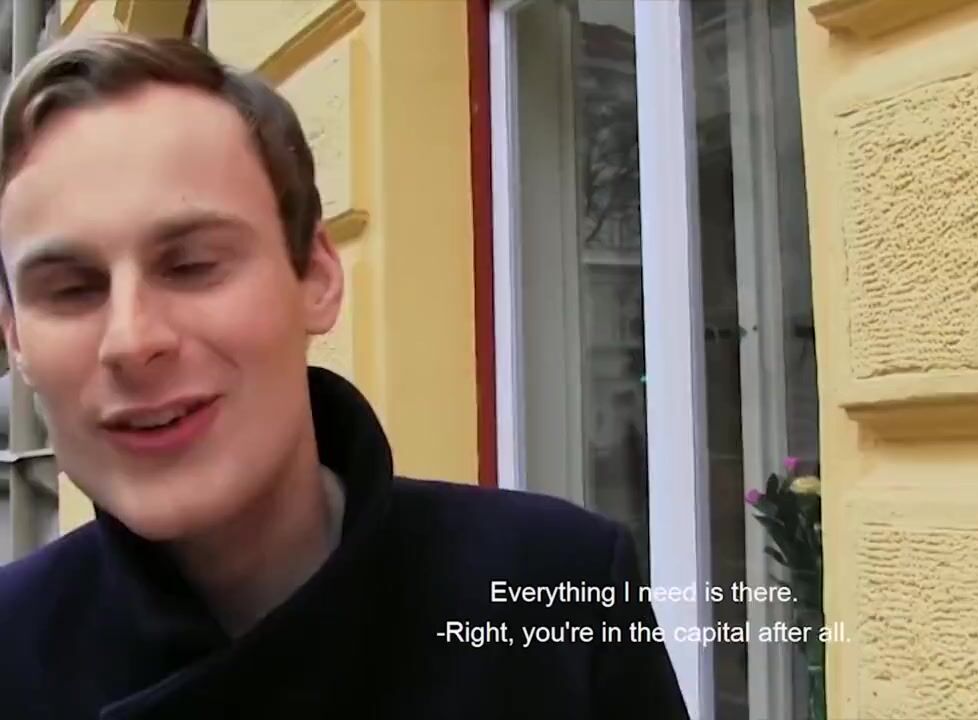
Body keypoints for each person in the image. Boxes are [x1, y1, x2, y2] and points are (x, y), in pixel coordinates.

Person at [0, 33, 689, 720]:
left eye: (192, 265)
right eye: (71, 289)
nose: (131, 340)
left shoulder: (556, 588)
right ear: (15, 337)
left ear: (318, 277)